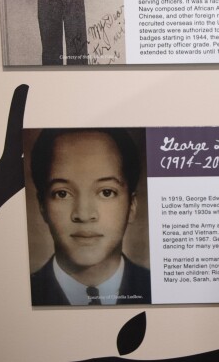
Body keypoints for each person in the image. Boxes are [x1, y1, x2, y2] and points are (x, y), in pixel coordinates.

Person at [29, 128, 150, 306]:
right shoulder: (22, 295)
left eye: (106, 192)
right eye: (62, 194)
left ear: (131, 206)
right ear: (42, 206)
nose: (84, 215)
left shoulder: (159, 290)